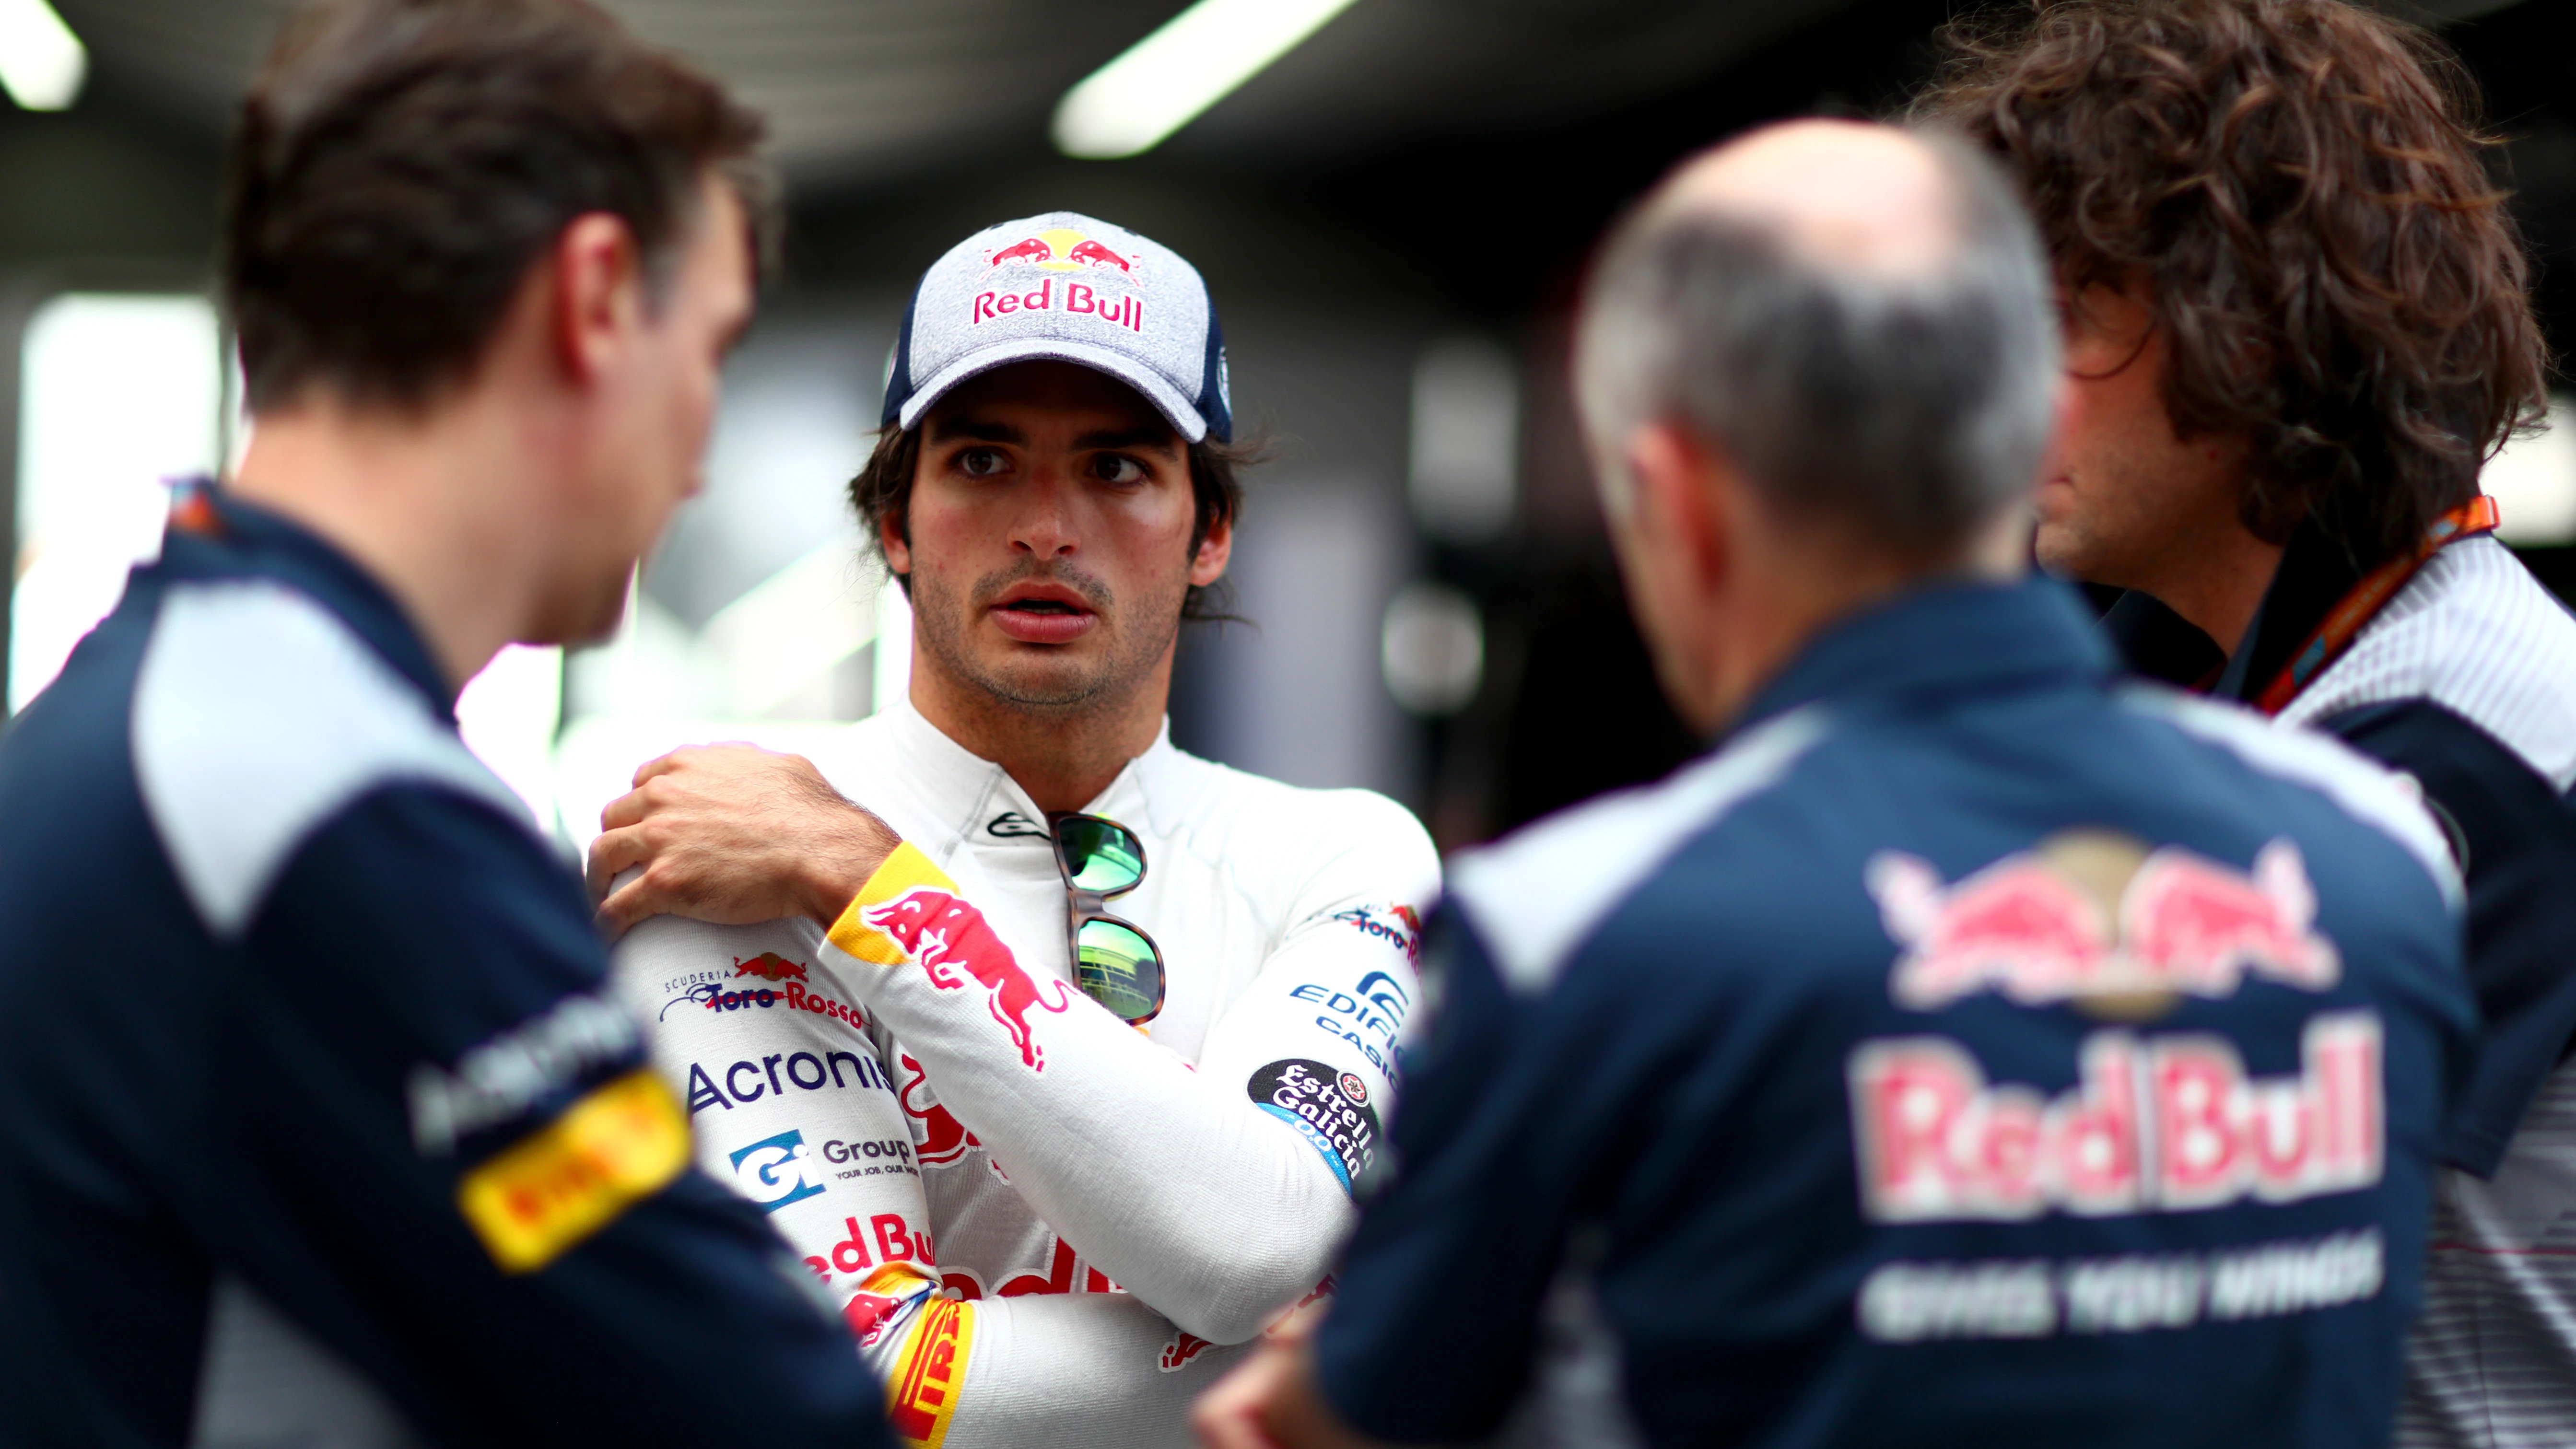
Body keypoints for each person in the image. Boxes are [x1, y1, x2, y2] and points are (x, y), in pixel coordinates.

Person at [1194, 118, 2475, 1449]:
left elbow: (1350, 1420)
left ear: (1670, 495)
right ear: (2031, 424)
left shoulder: (1577, 936)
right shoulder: (2375, 858)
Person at [0, 2, 890, 1445]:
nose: (702, 459)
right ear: (597, 297)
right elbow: (765, 1416)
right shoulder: (331, 811)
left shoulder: (156, 711)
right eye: (710, 348)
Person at [587, 211, 1440, 1446]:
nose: (1047, 526)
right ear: (894, 519)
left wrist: (864, 880)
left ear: (1210, 533)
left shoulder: (1342, 854)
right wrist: (1361, 1336)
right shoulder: (718, 839)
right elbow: (850, 1378)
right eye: (984, 462)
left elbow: (1254, 1239)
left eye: (1116, 468)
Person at [1912, 5, 2576, 1442]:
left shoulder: (2474, 739)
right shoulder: (2208, 686)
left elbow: (2096, 1226)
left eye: (2063, 321)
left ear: (2255, 334)